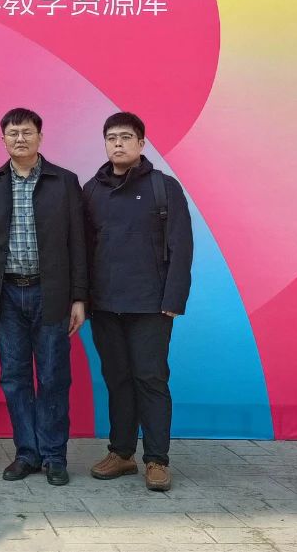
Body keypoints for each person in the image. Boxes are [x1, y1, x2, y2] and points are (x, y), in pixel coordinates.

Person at [0, 107, 88, 486]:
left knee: (53, 376)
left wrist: (79, 297)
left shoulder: (64, 181)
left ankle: (54, 455)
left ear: (40, 137)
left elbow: (78, 242)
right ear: (3, 139)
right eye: (12, 133)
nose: (19, 138)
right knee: (14, 377)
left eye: (26, 132)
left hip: (50, 293)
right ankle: (26, 453)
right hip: (6, 295)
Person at [83, 112, 193, 492]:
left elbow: (181, 246)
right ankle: (121, 453)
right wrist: (83, 298)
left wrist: (174, 297)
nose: (118, 143)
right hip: (104, 304)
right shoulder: (92, 190)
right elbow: (83, 249)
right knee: (117, 379)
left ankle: (157, 459)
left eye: (126, 137)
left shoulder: (164, 187)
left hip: (151, 305)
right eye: (111, 137)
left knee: (150, 378)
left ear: (141, 143)